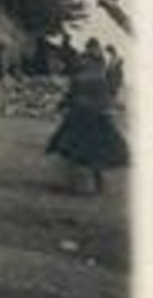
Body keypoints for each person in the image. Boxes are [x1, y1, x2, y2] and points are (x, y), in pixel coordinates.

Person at [46, 38, 129, 193]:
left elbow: (75, 94)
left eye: (89, 60)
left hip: (86, 116)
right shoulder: (95, 77)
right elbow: (78, 94)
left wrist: (65, 103)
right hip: (88, 116)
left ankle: (84, 184)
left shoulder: (90, 77)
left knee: (80, 150)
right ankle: (87, 183)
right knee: (86, 152)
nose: (86, 62)